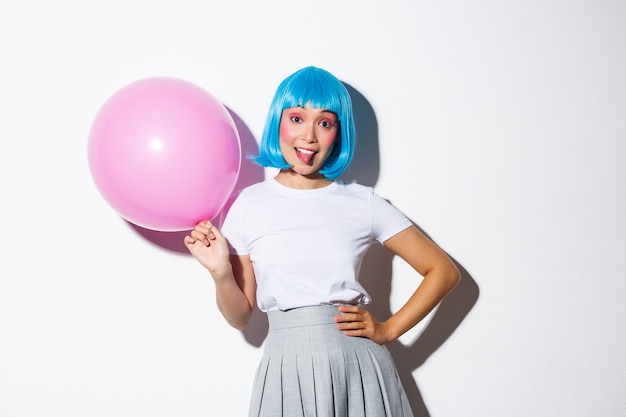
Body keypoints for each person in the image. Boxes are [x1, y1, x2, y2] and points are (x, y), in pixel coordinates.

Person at [184, 66, 460, 417]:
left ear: (338, 133)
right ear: (278, 122)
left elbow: (443, 271)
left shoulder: (363, 202)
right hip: (286, 370)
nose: (309, 136)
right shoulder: (248, 205)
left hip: (357, 367)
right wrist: (221, 272)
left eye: (325, 122)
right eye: (297, 118)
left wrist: (389, 329)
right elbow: (240, 318)